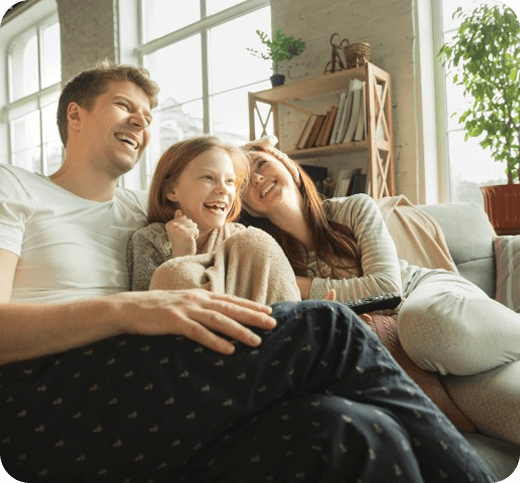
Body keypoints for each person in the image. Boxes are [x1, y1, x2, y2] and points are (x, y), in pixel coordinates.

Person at [0, 61, 496, 483]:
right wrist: (133, 307)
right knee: (327, 326)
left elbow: (212, 184)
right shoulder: (15, 188)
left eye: (148, 116)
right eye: (125, 106)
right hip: (49, 400)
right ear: (75, 113)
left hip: (144, 378)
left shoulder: (140, 213)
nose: (140, 121)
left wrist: (252, 164)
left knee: (354, 429)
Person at [240, 135, 520, 446]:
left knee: (424, 324)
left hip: (425, 292)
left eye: (262, 164)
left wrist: (303, 286)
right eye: (244, 182)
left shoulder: (353, 208)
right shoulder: (269, 256)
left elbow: (387, 289)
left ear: (289, 165)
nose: (258, 179)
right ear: (247, 206)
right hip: (420, 352)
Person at [126, 135, 301, 304]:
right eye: (208, 178)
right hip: (192, 330)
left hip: (260, 328)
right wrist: (182, 256)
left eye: (230, 181)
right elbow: (147, 312)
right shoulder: (149, 240)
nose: (224, 190)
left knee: (255, 241)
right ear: (171, 190)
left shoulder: (244, 239)